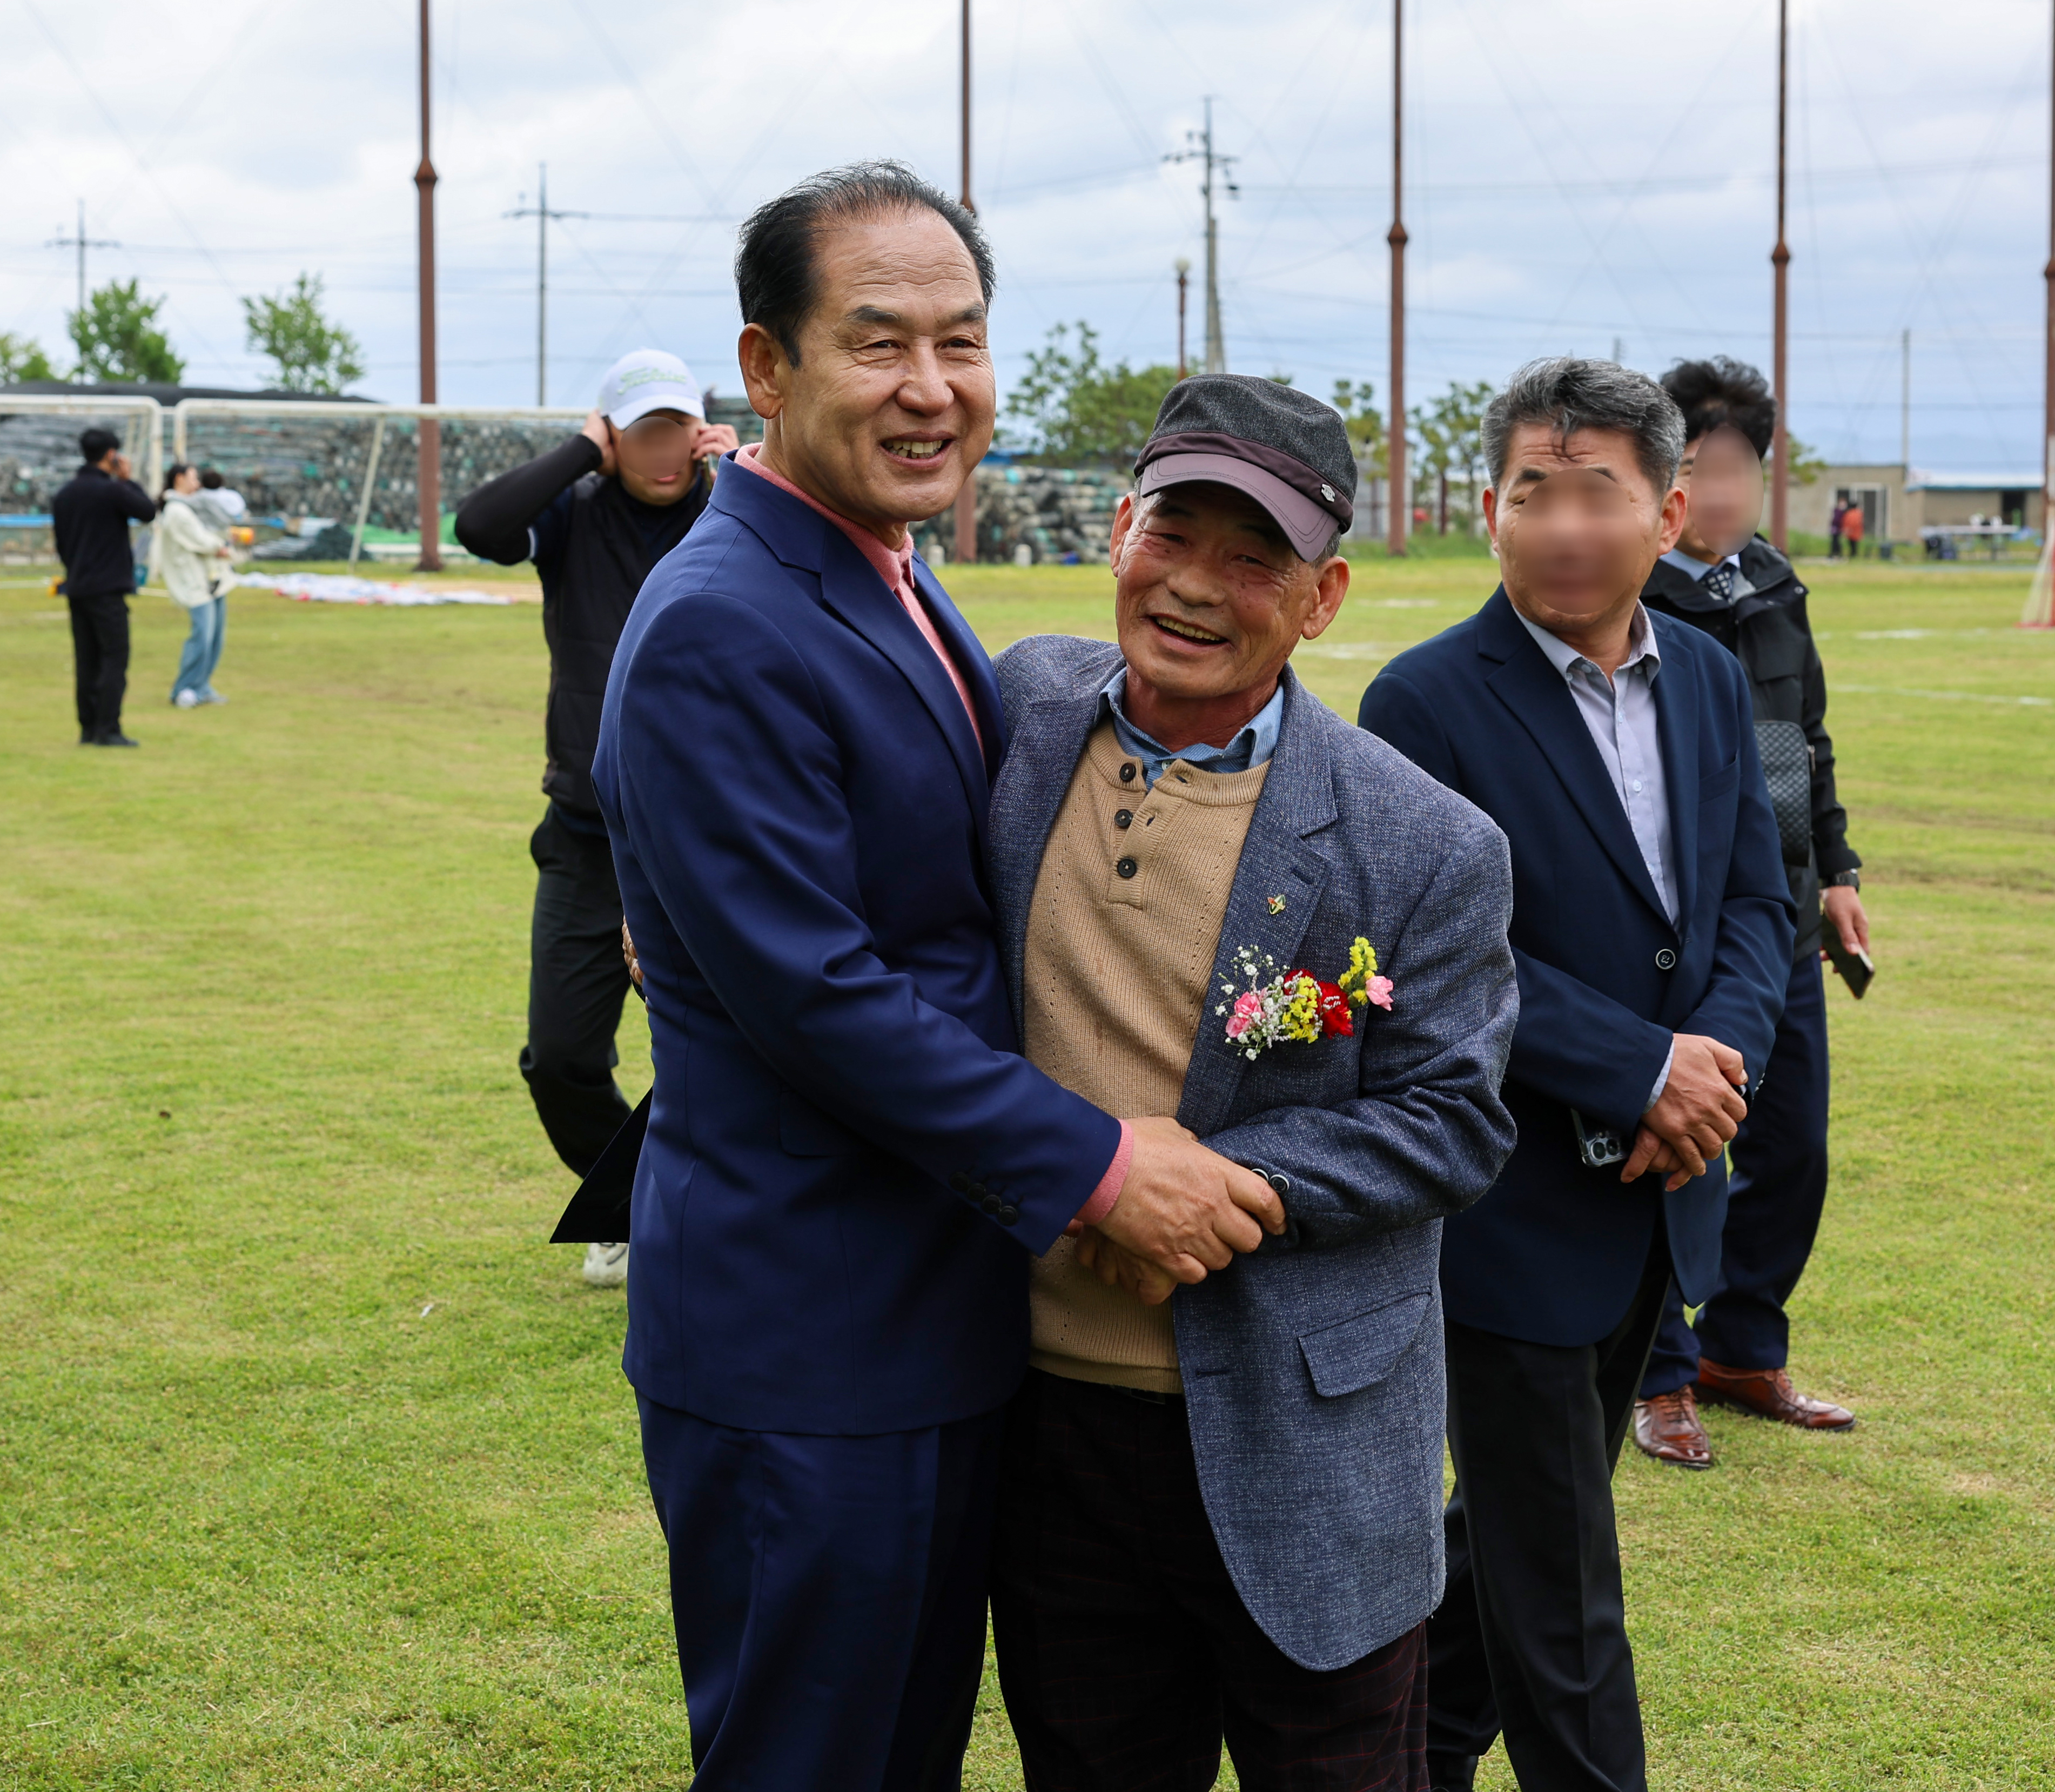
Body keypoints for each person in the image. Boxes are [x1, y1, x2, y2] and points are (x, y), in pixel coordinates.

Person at [589, 162, 1288, 1791]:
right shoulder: (723, 620)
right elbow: (821, 998)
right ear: (764, 370)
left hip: (925, 1318)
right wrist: (1104, 1162)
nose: (929, 388)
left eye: (961, 342)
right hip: (808, 1340)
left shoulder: (879, 569)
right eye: (877, 341)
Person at [984, 373, 1519, 1791]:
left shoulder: (1426, 841)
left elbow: (1456, 1120)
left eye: (1254, 557)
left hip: (1313, 1448)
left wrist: (1214, 1183)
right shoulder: (1019, 713)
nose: (1198, 587)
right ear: (1118, 532)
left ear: (1325, 594)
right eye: (1176, 533)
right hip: (1049, 1435)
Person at [1358, 357, 1791, 1792]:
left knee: (1516, 1540)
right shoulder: (1424, 704)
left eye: (1594, 492)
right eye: (1529, 493)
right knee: (1568, 1608)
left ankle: (1406, 1762)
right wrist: (1637, 1072)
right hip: (1512, 1212)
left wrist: (1710, 1076)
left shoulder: (1713, 681)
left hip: (1659, 1204)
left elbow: (1750, 907)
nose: (1559, 525)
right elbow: (1429, 957)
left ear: (1665, 511)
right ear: (1488, 508)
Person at [1628, 358, 1870, 1474]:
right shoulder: (1638, 599)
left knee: (1794, 1143)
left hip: (1782, 910)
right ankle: (1659, 1372)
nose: (1717, 491)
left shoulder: (1773, 586)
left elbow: (1804, 744)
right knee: (1685, 1143)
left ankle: (1742, 1346)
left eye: (1735, 468)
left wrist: (1837, 868)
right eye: (1695, 467)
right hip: (1687, 911)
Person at [454, 347, 736, 1284]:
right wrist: (582, 451)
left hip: (708, 835)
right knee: (562, 1058)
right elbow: (480, 525)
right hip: (586, 836)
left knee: (731, 1050)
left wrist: (746, 476)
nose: (667, 454)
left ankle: (723, 1223)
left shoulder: (727, 510)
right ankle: (633, 1203)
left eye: (679, 431)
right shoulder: (572, 520)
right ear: (611, 435)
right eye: (644, 432)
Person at [52, 427, 157, 746]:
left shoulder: (65, 494)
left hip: (79, 585)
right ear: (112, 455)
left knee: (87, 660)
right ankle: (108, 728)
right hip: (108, 588)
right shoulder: (112, 491)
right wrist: (127, 480)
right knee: (114, 657)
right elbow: (148, 512)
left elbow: (62, 544)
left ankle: (87, 727)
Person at [153, 463, 234, 709]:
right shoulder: (176, 510)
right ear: (179, 479)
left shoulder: (191, 506)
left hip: (212, 578)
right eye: (193, 478)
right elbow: (199, 540)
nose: (197, 484)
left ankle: (202, 686)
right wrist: (219, 547)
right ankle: (185, 689)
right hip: (194, 583)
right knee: (202, 636)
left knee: (215, 638)